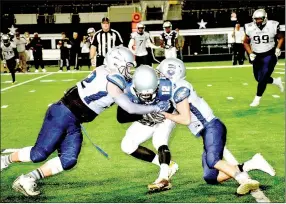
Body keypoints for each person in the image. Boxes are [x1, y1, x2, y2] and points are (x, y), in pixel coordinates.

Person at [1, 46, 171, 197]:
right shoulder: (113, 80)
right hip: (62, 114)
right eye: (127, 66)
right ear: (117, 63)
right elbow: (130, 108)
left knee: (68, 160)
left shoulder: (105, 71)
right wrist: (153, 108)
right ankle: (5, 160)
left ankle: (28, 178)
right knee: (38, 154)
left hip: (73, 119)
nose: (129, 70)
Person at [157, 58, 275, 195]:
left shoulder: (179, 89)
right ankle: (252, 164)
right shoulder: (175, 87)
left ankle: (244, 180)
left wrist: (165, 115)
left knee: (213, 160)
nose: (159, 77)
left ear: (171, 73)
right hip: (207, 130)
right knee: (210, 177)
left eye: (161, 74)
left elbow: (185, 119)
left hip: (211, 127)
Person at [118, 65, 178, 192]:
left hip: (165, 117)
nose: (147, 97)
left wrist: (165, 112)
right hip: (146, 118)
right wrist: (143, 114)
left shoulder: (165, 86)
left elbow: (177, 106)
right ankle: (168, 166)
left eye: (151, 93)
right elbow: (121, 117)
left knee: (159, 140)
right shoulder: (128, 90)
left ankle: (163, 178)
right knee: (127, 145)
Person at [243, 9, 284, 107]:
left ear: (265, 18)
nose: (258, 21)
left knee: (264, 77)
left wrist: (278, 48)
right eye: (256, 19)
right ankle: (276, 81)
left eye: (260, 19)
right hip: (257, 55)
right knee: (259, 78)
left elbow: (281, 37)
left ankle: (257, 98)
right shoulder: (249, 27)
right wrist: (250, 53)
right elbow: (245, 42)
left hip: (269, 54)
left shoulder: (273, 25)